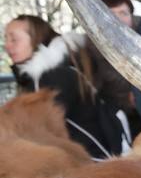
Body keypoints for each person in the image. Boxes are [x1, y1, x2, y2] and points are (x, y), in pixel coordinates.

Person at [5, 14, 131, 157]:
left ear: (36, 39)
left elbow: (38, 130)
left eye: (14, 39)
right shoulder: (52, 72)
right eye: (6, 39)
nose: (7, 45)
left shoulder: (53, 77)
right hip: (92, 160)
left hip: (89, 165)